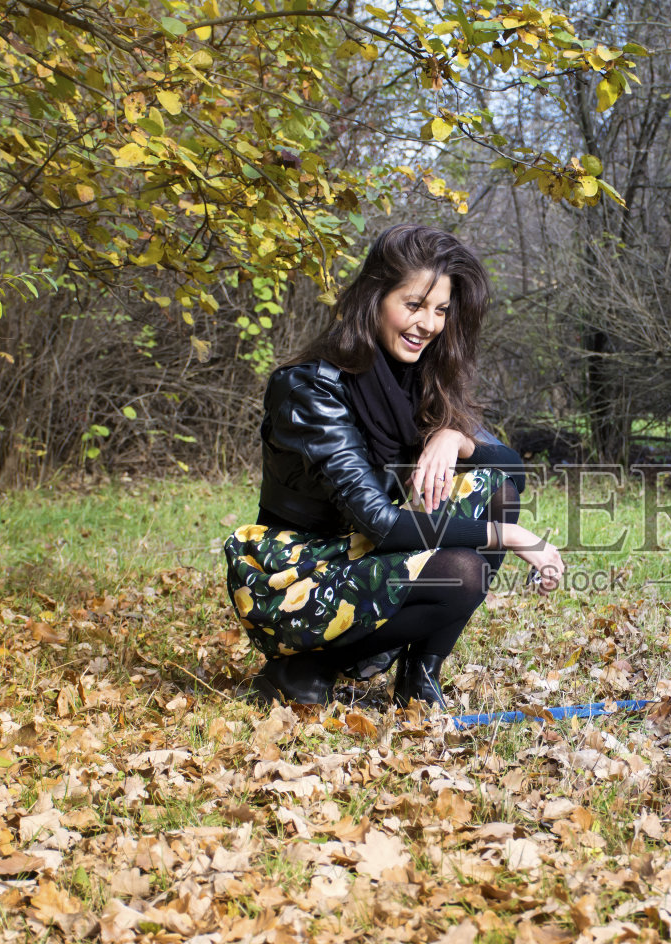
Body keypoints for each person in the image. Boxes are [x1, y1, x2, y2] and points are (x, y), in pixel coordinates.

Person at [223, 224, 564, 709]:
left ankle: (419, 679)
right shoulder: (308, 389)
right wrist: (512, 537)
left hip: (357, 553)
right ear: (373, 298)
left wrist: (455, 437)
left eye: (440, 310)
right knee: (461, 570)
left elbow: (511, 470)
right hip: (296, 575)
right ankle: (302, 667)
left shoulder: (419, 378)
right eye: (413, 304)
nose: (428, 323)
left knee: (494, 490)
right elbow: (378, 521)